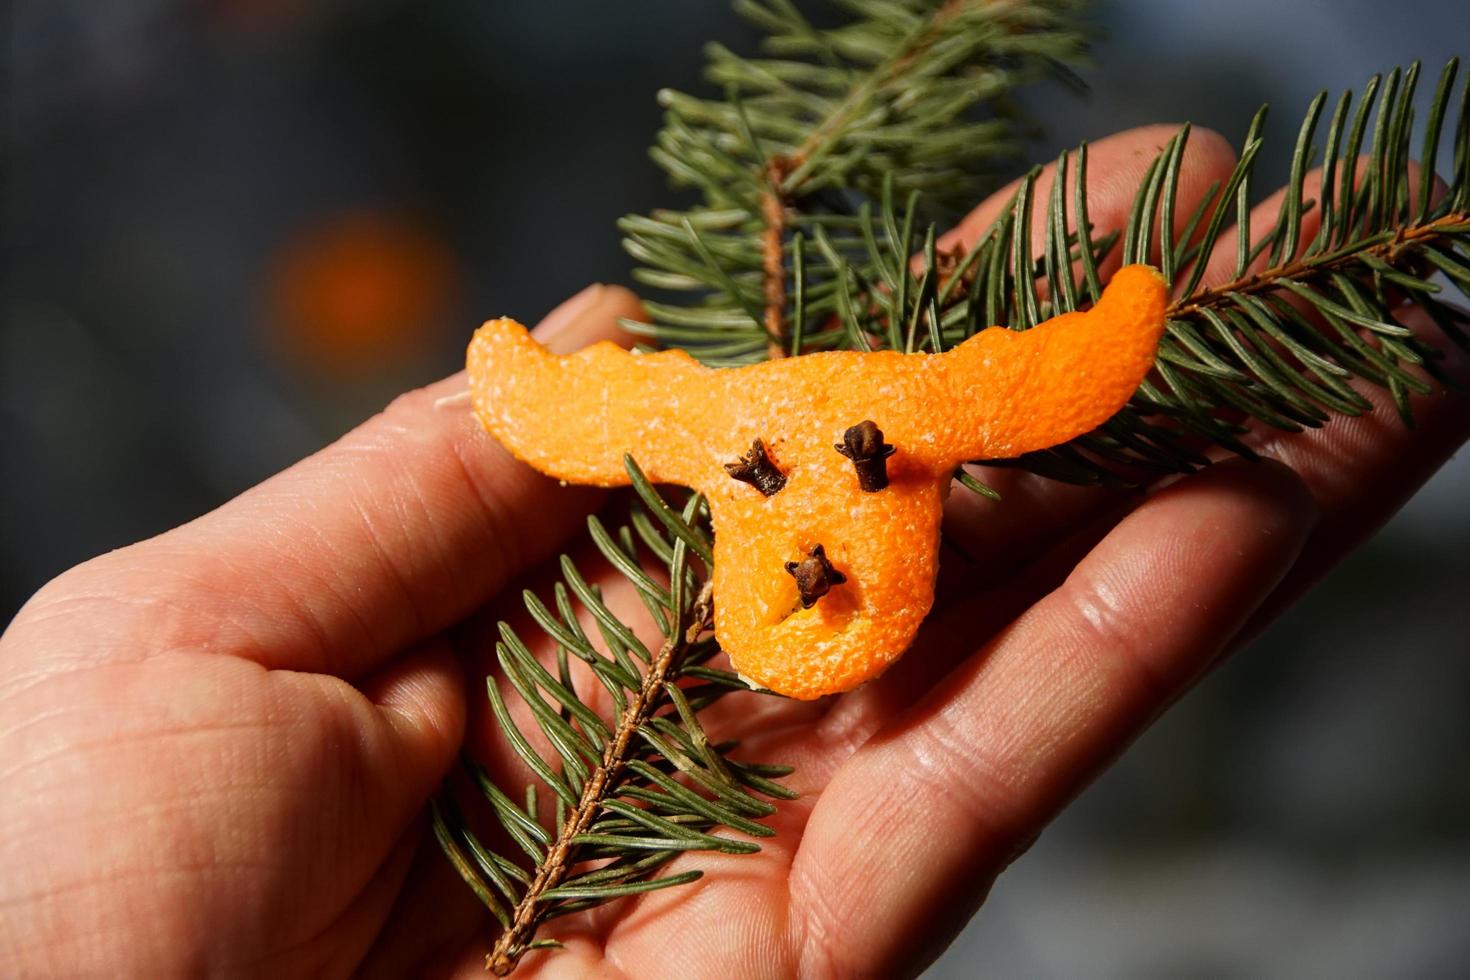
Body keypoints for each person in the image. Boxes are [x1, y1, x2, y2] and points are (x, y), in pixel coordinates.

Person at [1, 125, 1465, 978]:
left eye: (865, 471)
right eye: (769, 481)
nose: (817, 536)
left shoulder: (905, 417)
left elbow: (1069, 373)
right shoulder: (716, 425)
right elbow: (551, 401)